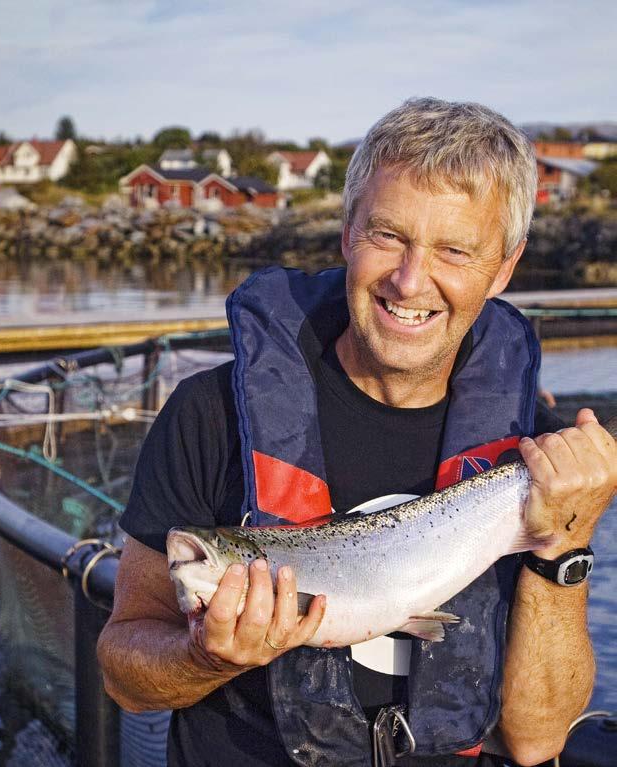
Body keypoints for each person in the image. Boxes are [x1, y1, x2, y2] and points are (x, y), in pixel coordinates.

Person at [96, 98, 617, 767]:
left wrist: (566, 540)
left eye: (454, 249)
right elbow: (124, 674)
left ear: (504, 266)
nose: (409, 279)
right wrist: (203, 655)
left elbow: (538, 738)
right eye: (387, 236)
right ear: (348, 232)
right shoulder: (209, 415)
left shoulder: (538, 454)